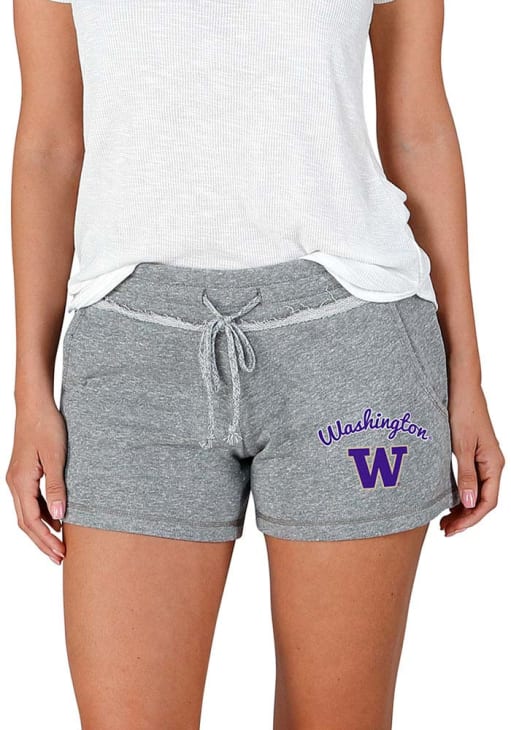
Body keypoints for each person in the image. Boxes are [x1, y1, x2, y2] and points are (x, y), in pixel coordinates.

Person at [6, 0, 504, 728]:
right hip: (130, 355)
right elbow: (49, 146)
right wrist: (29, 391)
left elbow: (417, 130)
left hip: (349, 346)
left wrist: (468, 378)